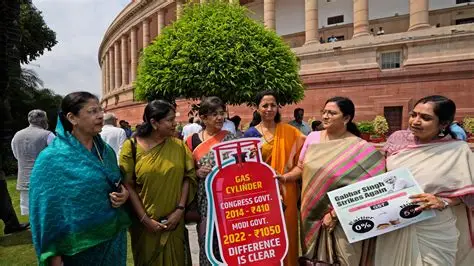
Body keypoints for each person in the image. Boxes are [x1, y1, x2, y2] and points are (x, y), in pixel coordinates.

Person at [281, 96, 385, 266]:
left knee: (344, 258)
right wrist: (284, 177)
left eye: (332, 113)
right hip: (311, 213)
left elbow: (372, 187)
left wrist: (336, 213)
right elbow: (301, 167)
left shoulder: (359, 147)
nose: (326, 116)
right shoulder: (313, 138)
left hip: (345, 217)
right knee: (312, 260)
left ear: (346, 118)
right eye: (324, 112)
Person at [29, 91, 131, 266]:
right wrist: (54, 257)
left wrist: (124, 195)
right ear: (72, 118)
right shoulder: (52, 159)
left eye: (101, 110)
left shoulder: (106, 151)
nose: (100, 116)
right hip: (79, 250)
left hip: (113, 243)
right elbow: (46, 212)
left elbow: (116, 182)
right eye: (92, 111)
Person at [375, 95, 474, 266]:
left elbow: (469, 194)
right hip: (394, 222)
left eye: (426, 118)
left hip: (434, 226)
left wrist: (443, 201)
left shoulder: (458, 150)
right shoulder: (397, 141)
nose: (415, 121)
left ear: (443, 123)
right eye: (414, 115)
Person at [119, 100, 197, 265]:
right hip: (145, 226)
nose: (175, 124)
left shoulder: (178, 146)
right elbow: (128, 185)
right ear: (154, 122)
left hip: (175, 222)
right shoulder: (131, 147)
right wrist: (145, 220)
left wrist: (179, 210)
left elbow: (188, 177)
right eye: (169, 120)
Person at [244, 90, 306, 266]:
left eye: (273, 105)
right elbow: (243, 170)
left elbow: (302, 164)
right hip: (260, 194)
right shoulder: (250, 135)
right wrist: (249, 157)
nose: (269, 109)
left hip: (287, 191)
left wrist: (285, 178)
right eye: (265, 105)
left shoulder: (291, 133)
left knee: (287, 233)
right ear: (257, 109)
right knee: (263, 236)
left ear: (278, 108)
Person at [185, 96, 237, 265]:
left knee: (229, 243)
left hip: (229, 201)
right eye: (214, 114)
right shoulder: (191, 141)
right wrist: (197, 172)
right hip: (204, 202)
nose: (220, 118)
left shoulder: (230, 138)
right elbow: (185, 172)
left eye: (222, 113)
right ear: (203, 117)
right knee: (206, 242)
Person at [11, 109, 55, 216]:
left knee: (30, 211)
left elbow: (17, 156)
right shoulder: (48, 135)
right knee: (46, 211)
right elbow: (56, 156)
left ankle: (35, 231)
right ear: (44, 120)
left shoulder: (17, 135)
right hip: (44, 178)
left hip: (24, 178)